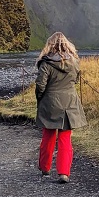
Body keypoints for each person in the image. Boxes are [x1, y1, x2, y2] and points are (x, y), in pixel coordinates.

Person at [35, 31, 87, 183]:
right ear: (67, 45)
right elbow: (76, 80)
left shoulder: (46, 63)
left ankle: (45, 168)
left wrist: (40, 98)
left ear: (50, 45)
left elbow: (40, 85)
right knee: (65, 138)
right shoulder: (74, 62)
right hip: (69, 103)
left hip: (50, 102)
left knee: (48, 136)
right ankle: (64, 173)